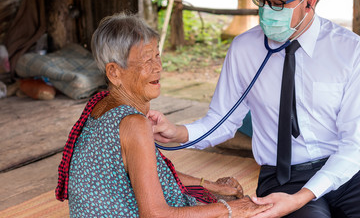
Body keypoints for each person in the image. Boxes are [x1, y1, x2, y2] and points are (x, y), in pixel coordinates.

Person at [148, 0, 360, 217]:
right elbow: (222, 121)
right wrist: (175, 132)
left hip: (346, 170)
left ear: (309, 2)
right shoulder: (244, 49)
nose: (266, 11)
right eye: (262, 0)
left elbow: (354, 145)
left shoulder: (350, 51)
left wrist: (304, 196)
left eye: (277, 3)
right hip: (283, 178)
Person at [55, 13, 271, 217]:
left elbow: (153, 175)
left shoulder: (100, 106)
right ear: (114, 72)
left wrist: (212, 186)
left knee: (219, 196)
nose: (158, 67)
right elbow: (155, 214)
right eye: (147, 60)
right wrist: (232, 209)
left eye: (157, 55)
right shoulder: (132, 124)